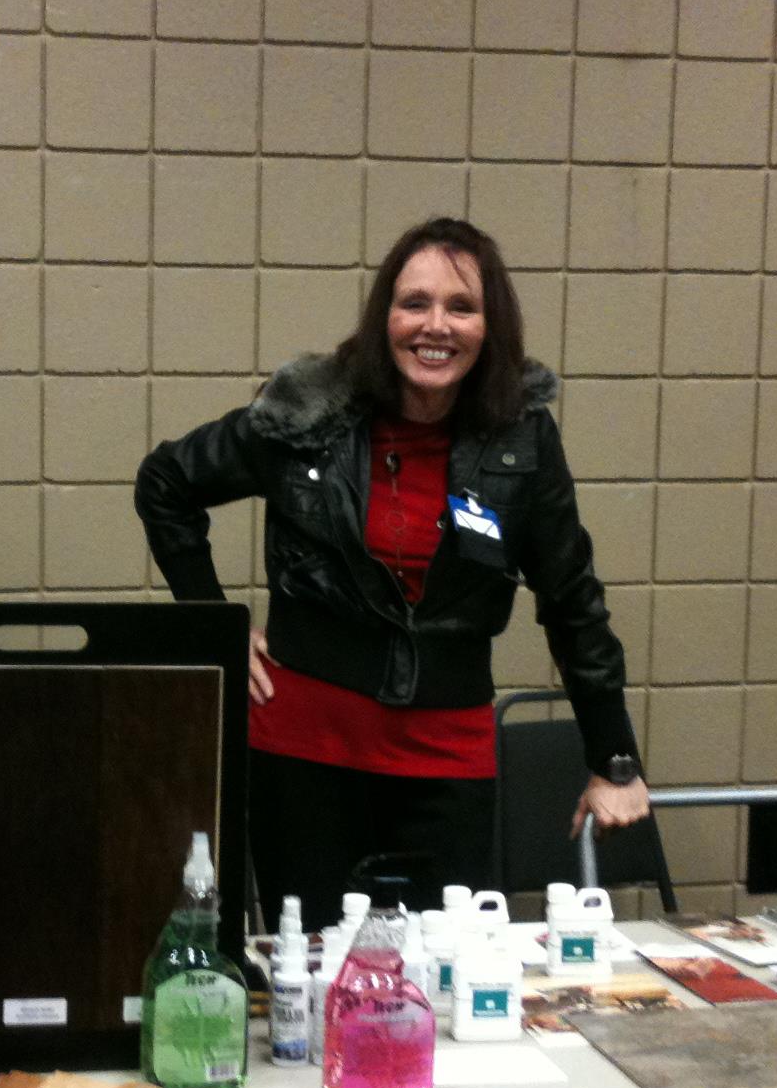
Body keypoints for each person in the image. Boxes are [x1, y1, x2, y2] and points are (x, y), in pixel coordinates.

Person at [134, 218, 649, 927]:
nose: (436, 326)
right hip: (304, 752)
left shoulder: (521, 438)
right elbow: (166, 482)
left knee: (446, 967)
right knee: (312, 961)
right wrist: (214, 625)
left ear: (490, 327)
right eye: (415, 303)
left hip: (447, 755)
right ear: (385, 317)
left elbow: (571, 599)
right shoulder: (307, 415)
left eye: (461, 307)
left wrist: (615, 760)